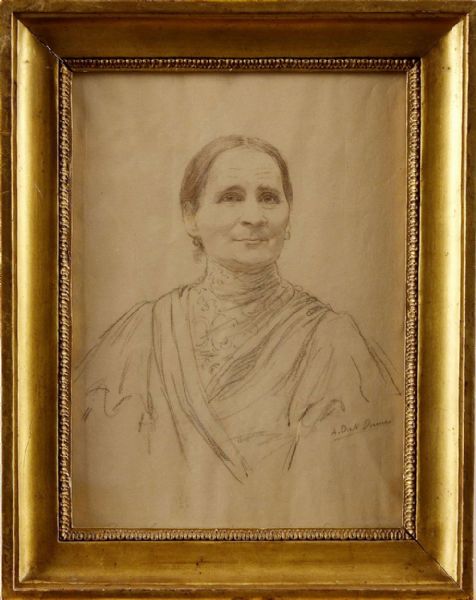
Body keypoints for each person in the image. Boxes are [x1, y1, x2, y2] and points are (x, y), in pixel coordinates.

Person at [72, 135, 404, 530]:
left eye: (269, 198)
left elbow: (344, 500)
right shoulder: (142, 333)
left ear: (288, 214)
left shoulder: (333, 341)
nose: (254, 216)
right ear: (190, 216)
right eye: (230, 197)